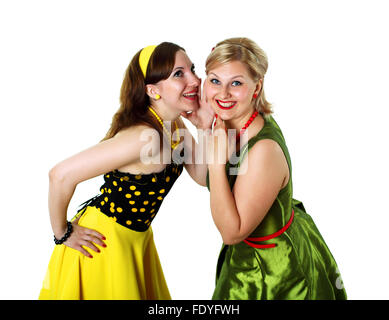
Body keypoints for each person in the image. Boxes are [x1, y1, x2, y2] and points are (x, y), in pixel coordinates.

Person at [39, 42, 213, 300]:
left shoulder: (173, 125)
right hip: (102, 244)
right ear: (153, 90)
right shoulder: (144, 137)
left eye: (192, 70)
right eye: (179, 74)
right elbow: (60, 175)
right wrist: (62, 233)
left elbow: (203, 177)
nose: (195, 80)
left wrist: (206, 127)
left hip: (136, 241)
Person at [204, 37, 347, 299]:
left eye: (236, 83)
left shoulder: (264, 152)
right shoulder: (235, 122)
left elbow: (231, 232)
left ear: (256, 87)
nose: (222, 93)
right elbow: (213, 182)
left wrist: (215, 163)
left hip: (272, 269)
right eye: (215, 81)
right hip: (247, 256)